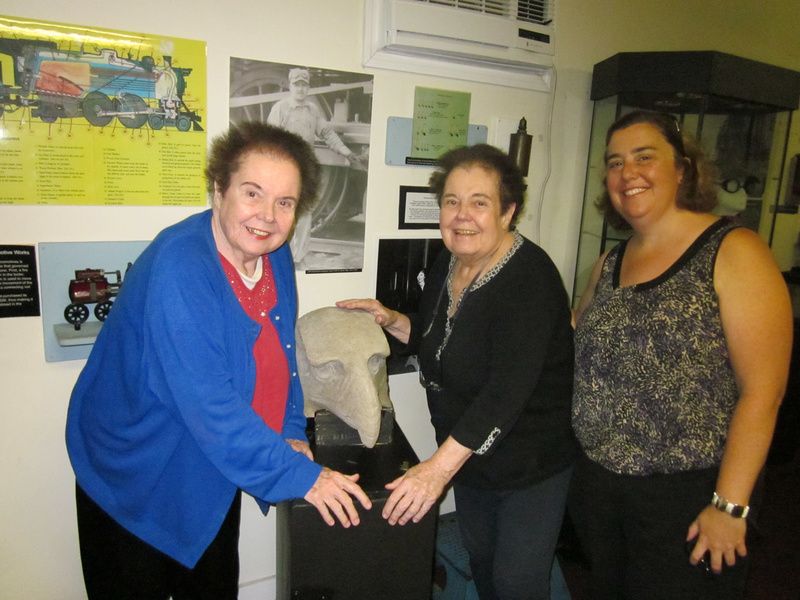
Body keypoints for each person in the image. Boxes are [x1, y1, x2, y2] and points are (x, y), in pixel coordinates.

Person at [65, 122, 371, 600]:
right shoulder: (180, 266)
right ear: (218, 189)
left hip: (211, 460)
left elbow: (283, 356)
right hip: (134, 467)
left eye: (284, 202)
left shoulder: (274, 255)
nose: (267, 216)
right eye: (253, 193)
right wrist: (304, 479)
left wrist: (290, 431)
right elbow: (209, 403)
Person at [338, 144, 577, 599]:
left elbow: (505, 392)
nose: (462, 215)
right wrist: (393, 319)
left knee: (517, 582)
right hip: (471, 457)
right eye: (451, 201)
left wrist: (435, 471)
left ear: (508, 212)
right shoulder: (450, 262)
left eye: (479, 202)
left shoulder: (531, 280)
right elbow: (440, 341)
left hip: (530, 464)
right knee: (483, 566)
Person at [571, 110, 792, 599]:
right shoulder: (611, 260)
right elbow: (573, 333)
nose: (628, 173)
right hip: (601, 488)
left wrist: (730, 505)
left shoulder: (735, 251)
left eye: (644, 157)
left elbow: (763, 394)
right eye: (615, 162)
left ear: (683, 170)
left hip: (686, 494)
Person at [267, 67, 366, 268]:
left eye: (304, 85)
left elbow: (327, 133)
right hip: (284, 170)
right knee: (281, 211)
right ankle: (277, 255)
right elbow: (270, 139)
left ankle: (298, 257)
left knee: (305, 212)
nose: (300, 89)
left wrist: (346, 151)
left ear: (308, 88)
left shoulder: (312, 110)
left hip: (305, 169)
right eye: (297, 85)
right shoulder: (280, 109)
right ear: (290, 86)